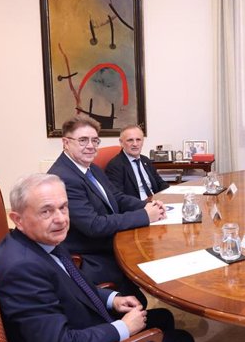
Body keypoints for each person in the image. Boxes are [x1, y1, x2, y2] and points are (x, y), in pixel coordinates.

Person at [0, 173, 193, 342]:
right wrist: (122, 329)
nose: (60, 219)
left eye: (63, 207)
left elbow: (73, 283)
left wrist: (112, 300)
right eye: (46, 211)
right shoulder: (22, 269)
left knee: (163, 318)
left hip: (79, 325)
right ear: (18, 219)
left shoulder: (42, 240)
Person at [48, 115, 166, 305]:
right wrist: (144, 215)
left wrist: (146, 206)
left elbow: (117, 197)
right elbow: (94, 225)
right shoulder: (64, 178)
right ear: (66, 142)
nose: (91, 146)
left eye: (95, 140)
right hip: (91, 253)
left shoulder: (90, 168)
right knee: (141, 294)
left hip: (108, 238)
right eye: (83, 140)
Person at [106, 124, 170, 200]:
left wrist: (173, 192)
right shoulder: (115, 165)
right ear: (121, 142)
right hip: (138, 207)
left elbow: (160, 183)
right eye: (130, 140)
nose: (135, 144)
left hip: (156, 201)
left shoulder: (145, 160)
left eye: (138, 140)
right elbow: (119, 197)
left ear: (142, 141)